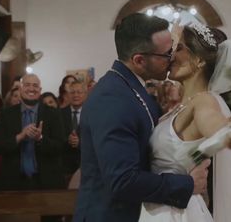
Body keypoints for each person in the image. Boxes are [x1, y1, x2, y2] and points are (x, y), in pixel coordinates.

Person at [73, 13, 210, 222]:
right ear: (139, 60)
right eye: (166, 54)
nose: (171, 58)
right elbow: (122, 180)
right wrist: (186, 184)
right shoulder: (113, 99)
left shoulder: (129, 88)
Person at [139, 23, 231, 221]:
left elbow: (216, 126)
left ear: (200, 60)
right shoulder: (179, 108)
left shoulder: (204, 101)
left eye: (179, 48)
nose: (171, 55)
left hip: (176, 212)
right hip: (160, 205)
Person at [0, 74, 64, 191]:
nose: (31, 89)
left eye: (35, 86)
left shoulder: (53, 114)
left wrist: (40, 138)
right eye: (27, 85)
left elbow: (60, 146)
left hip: (47, 183)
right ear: (20, 89)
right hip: (13, 183)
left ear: (40, 90)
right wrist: (20, 136)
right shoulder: (5, 115)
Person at [61, 81, 87, 185]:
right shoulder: (59, 114)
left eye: (79, 92)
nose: (75, 95)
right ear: (68, 95)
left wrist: (80, 143)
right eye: (72, 92)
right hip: (64, 167)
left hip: (85, 165)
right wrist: (67, 140)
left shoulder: (92, 114)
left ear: (85, 94)